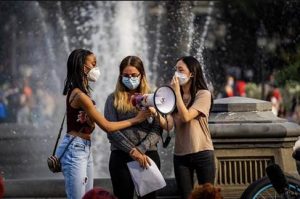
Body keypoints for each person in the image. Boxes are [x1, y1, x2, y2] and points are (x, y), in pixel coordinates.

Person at [55, 49, 150, 199]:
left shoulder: (84, 93)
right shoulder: (80, 95)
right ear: (83, 67)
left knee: (88, 196)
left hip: (84, 147)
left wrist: (89, 122)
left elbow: (91, 127)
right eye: (93, 64)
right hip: (75, 148)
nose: (96, 68)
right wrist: (136, 119)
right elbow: (107, 126)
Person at [150, 56, 216, 199]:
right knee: (185, 196)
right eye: (175, 70)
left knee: (208, 195)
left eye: (180, 70)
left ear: (191, 73)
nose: (176, 74)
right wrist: (155, 112)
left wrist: (176, 93)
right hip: (181, 155)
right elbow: (169, 125)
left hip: (202, 152)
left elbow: (186, 117)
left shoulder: (203, 94)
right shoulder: (174, 96)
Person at [104, 55, 162, 199]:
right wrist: (132, 151)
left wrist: (141, 149)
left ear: (141, 75)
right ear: (120, 76)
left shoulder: (152, 97)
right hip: (121, 157)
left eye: (134, 75)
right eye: (126, 75)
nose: (130, 79)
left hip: (148, 155)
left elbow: (157, 128)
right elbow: (111, 131)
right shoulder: (113, 99)